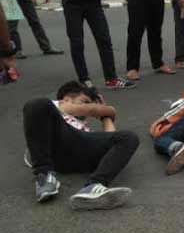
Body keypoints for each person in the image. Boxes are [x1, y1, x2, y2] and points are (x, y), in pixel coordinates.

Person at [23, 81, 139, 210]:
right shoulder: (55, 107)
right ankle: (44, 176)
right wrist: (106, 109)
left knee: (128, 137)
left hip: (80, 153)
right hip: (56, 147)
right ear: (66, 99)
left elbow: (111, 137)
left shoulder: (85, 127)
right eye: (84, 101)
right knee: (36, 103)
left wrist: (105, 118)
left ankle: (94, 187)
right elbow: (94, 109)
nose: (88, 107)